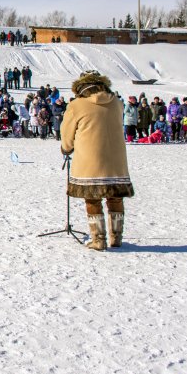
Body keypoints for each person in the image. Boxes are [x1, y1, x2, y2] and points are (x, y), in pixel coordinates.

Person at [60, 71, 134, 251]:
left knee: (92, 198)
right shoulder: (117, 102)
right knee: (115, 197)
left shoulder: (77, 105)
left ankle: (98, 239)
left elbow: (67, 134)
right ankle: (116, 238)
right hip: (116, 159)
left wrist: (66, 148)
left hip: (90, 159)